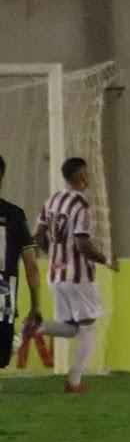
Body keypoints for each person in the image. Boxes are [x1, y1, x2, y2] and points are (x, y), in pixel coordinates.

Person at [22, 158, 117, 393]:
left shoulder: (52, 200)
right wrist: (106, 260)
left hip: (56, 275)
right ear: (81, 177)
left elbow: (38, 236)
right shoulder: (81, 206)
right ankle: (74, 381)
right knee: (88, 328)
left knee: (72, 327)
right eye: (86, 174)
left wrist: (55, 256)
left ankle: (38, 328)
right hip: (78, 277)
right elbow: (82, 243)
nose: (88, 178)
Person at [0, 155, 42, 370]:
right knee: (2, 357)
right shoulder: (15, 215)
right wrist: (35, 305)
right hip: (4, 294)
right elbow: (32, 266)